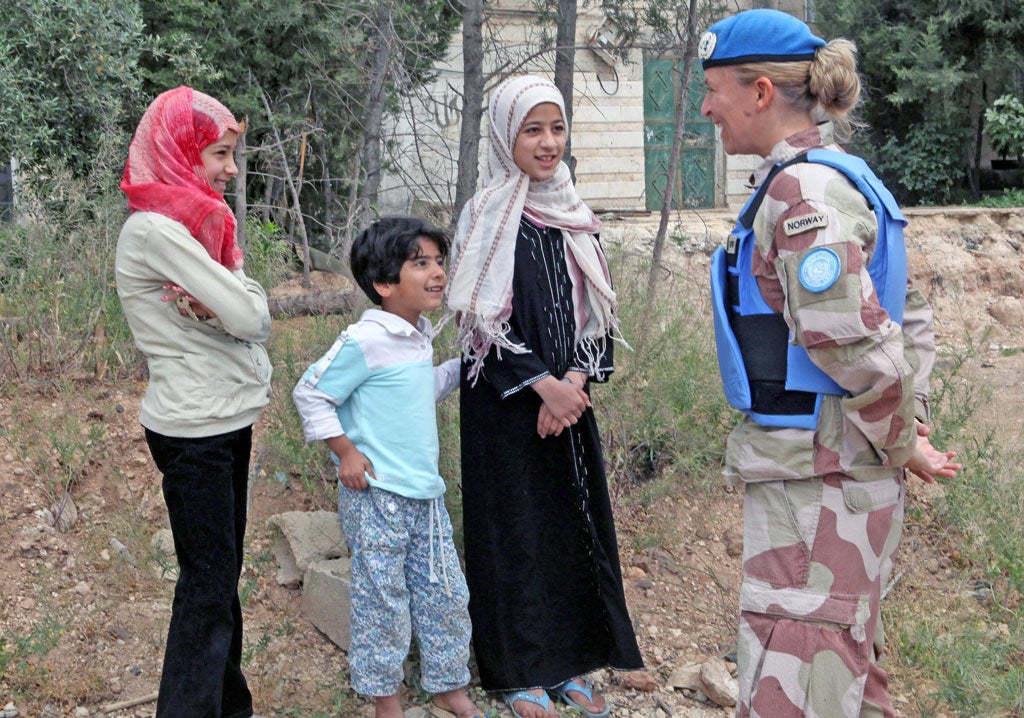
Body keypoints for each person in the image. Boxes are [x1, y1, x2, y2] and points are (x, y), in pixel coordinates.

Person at [699, 10, 961, 717]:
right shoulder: (838, 178)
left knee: (800, 681)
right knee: (841, 673)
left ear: (759, 92)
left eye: (714, 89)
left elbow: (849, 338)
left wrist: (904, 442)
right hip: (833, 470)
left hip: (818, 480)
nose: (705, 107)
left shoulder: (803, 192)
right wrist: (911, 434)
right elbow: (909, 317)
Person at [445, 74, 643, 718]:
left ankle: (572, 661)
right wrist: (543, 386)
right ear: (507, 136)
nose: (548, 142)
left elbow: (598, 318)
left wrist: (576, 384)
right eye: (533, 129)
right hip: (506, 407)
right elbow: (478, 320)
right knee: (515, 531)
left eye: (556, 128)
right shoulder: (487, 214)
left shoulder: (574, 212)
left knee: (567, 526)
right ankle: (516, 671)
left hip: (570, 404)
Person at [115, 86, 272, 718]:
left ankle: (229, 708)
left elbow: (238, 305)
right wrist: (244, 296)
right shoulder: (155, 231)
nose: (230, 168)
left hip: (221, 418)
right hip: (196, 428)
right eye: (219, 153)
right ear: (179, 149)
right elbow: (251, 315)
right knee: (208, 586)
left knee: (219, 580)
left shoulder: (190, 223)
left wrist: (236, 297)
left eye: (233, 154)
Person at [292, 217, 482, 718]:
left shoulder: (416, 337)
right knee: (383, 601)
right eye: (420, 263)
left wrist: (467, 365)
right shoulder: (367, 339)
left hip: (425, 494)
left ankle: (448, 685)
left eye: (439, 261)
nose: (437, 272)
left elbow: (421, 390)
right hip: (376, 496)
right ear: (383, 284)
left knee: (444, 592)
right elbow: (311, 393)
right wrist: (345, 452)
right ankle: (387, 701)